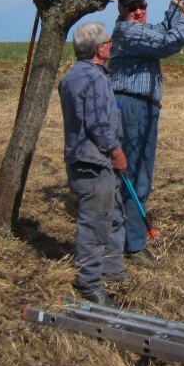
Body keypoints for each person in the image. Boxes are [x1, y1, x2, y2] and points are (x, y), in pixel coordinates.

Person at [110, 0, 184, 262]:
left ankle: (125, 237)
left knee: (136, 175)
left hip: (142, 108)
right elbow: (169, 40)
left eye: (142, 6)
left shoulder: (139, 30)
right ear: (121, 10)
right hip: (132, 108)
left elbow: (161, 30)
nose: (138, 11)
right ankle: (133, 244)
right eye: (132, 7)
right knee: (137, 177)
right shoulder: (126, 32)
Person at [58, 22, 127, 305]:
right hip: (94, 161)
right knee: (95, 225)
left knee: (108, 217)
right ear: (100, 49)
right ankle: (91, 286)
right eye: (109, 42)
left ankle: (111, 270)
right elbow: (99, 123)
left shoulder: (71, 76)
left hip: (77, 159)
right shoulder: (96, 79)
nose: (112, 45)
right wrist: (115, 151)